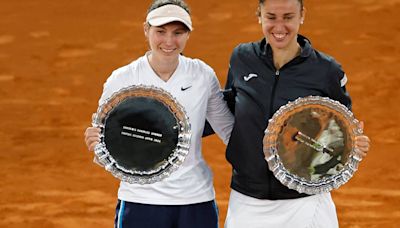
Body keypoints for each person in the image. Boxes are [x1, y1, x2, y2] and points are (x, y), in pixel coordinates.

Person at [84, 0, 234, 227]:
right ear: (146, 29)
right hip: (140, 201)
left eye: (178, 32)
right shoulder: (122, 79)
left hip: (195, 199)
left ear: (188, 35)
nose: (169, 41)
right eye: (160, 31)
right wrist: (96, 143)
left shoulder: (202, 75)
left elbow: (228, 130)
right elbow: (107, 143)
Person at [222, 0, 371, 227]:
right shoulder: (242, 58)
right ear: (259, 15)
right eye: (271, 17)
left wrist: (353, 144)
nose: (279, 27)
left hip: (305, 201)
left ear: (302, 15)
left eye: (288, 17)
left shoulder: (326, 71)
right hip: (247, 201)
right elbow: (229, 110)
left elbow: (340, 128)